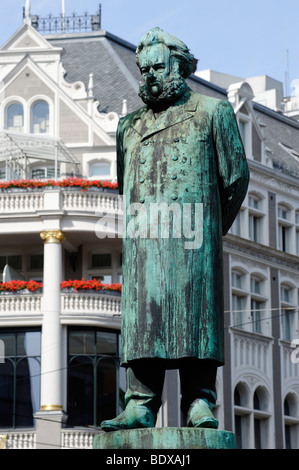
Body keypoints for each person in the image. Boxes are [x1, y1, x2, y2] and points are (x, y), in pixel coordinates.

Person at [101, 27, 249, 431]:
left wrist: (209, 227)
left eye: (157, 67)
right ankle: (139, 403)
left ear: (179, 67)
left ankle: (200, 401)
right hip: (145, 242)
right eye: (143, 68)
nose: (148, 75)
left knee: (195, 323)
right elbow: (125, 183)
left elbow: (235, 179)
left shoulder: (211, 112)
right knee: (144, 322)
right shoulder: (128, 126)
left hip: (193, 240)